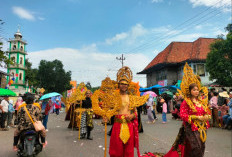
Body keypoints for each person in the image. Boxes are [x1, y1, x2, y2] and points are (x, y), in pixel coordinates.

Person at [108, 66, 148, 157]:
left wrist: (132, 116)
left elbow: (135, 112)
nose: (124, 85)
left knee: (128, 149)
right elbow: (109, 110)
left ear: (128, 86)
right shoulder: (114, 97)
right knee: (117, 149)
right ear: (118, 85)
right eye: (122, 83)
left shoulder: (131, 98)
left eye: (126, 84)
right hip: (117, 125)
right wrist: (105, 117)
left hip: (128, 124)